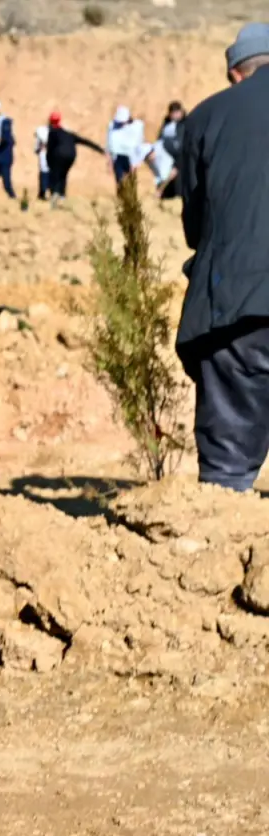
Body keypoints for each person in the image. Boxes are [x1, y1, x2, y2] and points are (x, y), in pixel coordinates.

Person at [174, 22, 269, 492]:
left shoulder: (207, 117)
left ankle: (221, 539)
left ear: (236, 73)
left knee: (227, 467)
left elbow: (196, 225)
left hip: (238, 303)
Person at [44, 110, 104, 207]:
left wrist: (48, 161)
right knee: (63, 175)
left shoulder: (52, 132)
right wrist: (100, 149)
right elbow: (85, 141)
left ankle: (55, 195)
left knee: (55, 175)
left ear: (50, 122)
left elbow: (50, 149)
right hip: (71, 156)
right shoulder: (68, 134)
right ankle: (62, 196)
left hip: (59, 155)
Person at [106, 105, 145, 184]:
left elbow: (139, 142)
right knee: (120, 181)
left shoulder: (137, 126)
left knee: (130, 181)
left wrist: (136, 161)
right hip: (118, 157)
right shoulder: (112, 126)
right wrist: (109, 161)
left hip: (130, 156)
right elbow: (109, 143)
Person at [33, 125, 50, 201]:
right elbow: (37, 148)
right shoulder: (41, 133)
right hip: (44, 156)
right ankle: (42, 193)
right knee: (43, 174)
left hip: (52, 157)